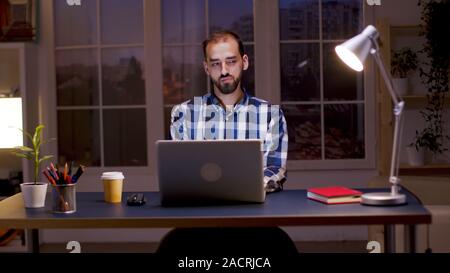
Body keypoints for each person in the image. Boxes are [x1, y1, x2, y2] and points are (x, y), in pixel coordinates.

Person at [170, 30, 288, 193]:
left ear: (244, 62)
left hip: (251, 211)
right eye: (215, 63)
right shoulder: (183, 113)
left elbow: (275, 169)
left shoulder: (270, 115)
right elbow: (178, 171)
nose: (224, 71)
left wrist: (240, 189)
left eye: (231, 61)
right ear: (206, 68)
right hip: (200, 208)